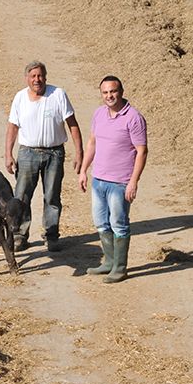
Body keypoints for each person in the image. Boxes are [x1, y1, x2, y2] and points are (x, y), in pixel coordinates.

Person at [5, 61, 83, 252]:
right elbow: (12, 127)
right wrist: (8, 153)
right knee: (22, 195)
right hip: (27, 153)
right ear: (27, 79)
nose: (37, 80)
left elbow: (72, 124)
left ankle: (51, 235)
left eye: (40, 76)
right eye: (33, 76)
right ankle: (19, 236)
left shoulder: (58, 95)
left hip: (54, 153)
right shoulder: (20, 98)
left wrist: (79, 152)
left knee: (52, 196)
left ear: (45, 77)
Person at [78, 75, 147, 283]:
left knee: (119, 223)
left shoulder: (134, 118)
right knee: (101, 222)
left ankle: (120, 267)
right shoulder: (99, 114)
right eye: (105, 92)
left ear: (121, 92)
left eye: (113, 91)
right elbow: (92, 143)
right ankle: (108, 261)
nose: (110, 96)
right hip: (99, 180)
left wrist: (133, 181)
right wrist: (83, 170)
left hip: (120, 182)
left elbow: (142, 151)